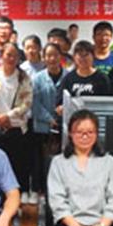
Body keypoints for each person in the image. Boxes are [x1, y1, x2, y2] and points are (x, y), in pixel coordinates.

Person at [0, 43, 33, 197]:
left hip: (16, 129)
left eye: (15, 56)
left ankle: (15, 202)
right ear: (1, 56)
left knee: (16, 169)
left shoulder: (24, 78)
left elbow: (27, 102)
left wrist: (8, 116)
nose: (11, 58)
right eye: (8, 55)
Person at [31, 43, 68, 204]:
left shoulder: (69, 76)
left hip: (64, 129)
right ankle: (41, 194)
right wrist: (49, 119)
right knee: (41, 163)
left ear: (61, 57)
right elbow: (34, 103)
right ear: (44, 58)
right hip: (42, 128)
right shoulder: (37, 78)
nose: (52, 59)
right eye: (48, 55)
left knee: (61, 164)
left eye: (55, 55)